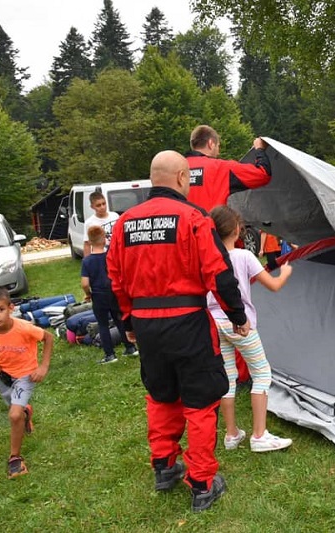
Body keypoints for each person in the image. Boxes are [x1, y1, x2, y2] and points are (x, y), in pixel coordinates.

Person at [107, 150, 249, 513]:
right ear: (184, 178)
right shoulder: (194, 218)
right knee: (200, 401)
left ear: (153, 178)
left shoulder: (124, 223)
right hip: (188, 322)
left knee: (161, 395)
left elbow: (115, 280)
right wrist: (236, 314)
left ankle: (165, 466)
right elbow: (219, 272)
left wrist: (128, 324)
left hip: (147, 326)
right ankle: (202, 482)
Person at [209, 206, 293, 453]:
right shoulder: (243, 257)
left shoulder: (208, 258)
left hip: (215, 322)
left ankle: (232, 434)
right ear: (237, 230)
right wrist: (286, 270)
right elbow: (274, 285)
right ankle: (259, 436)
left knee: (228, 376)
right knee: (262, 374)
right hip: (239, 323)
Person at [0, 286, 53, 478]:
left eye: (0, 309)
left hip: (25, 375)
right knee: (15, 410)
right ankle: (26, 412)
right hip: (3, 376)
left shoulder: (24, 327)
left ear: (10, 308)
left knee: (14, 415)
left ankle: (15, 458)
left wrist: (43, 367)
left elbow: (48, 338)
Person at [80, 225, 137, 364]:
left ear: (90, 242)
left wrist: (88, 294)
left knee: (103, 324)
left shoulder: (87, 261)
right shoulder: (110, 256)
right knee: (119, 320)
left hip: (98, 295)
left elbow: (85, 283)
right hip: (113, 292)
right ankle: (130, 347)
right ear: (105, 239)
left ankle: (110, 355)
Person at [185, 125, 272, 212]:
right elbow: (263, 174)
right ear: (210, 144)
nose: (218, 152)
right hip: (213, 224)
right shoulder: (222, 167)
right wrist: (260, 149)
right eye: (218, 146)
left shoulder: (177, 167)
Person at [83, 191, 120, 258]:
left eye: (104, 203)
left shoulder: (115, 216)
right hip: (100, 256)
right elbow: (87, 243)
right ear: (92, 207)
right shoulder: (89, 222)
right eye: (98, 205)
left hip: (115, 254)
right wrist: (87, 261)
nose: (102, 207)